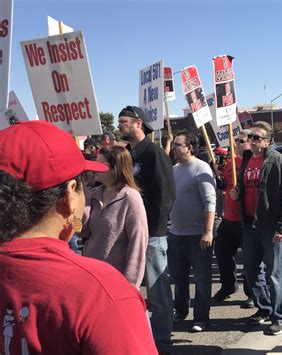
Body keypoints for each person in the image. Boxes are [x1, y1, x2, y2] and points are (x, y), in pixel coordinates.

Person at [0, 121, 157, 354]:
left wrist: (128, 285)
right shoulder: (99, 299)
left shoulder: (130, 198)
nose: (94, 176)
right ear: (70, 193)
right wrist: (73, 220)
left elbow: (137, 242)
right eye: (86, 177)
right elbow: (82, 228)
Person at [118, 105, 175, 355]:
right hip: (130, 234)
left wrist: (152, 230)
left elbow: (165, 196)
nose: (120, 125)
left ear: (138, 123)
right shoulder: (129, 155)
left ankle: (162, 344)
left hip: (152, 235)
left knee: (157, 293)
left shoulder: (154, 154)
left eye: (124, 121)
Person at [234, 121, 282, 336]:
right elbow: (246, 185)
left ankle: (279, 316)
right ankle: (264, 307)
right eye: (250, 137)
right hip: (250, 224)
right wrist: (238, 192)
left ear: (267, 141)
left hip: (271, 227)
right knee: (250, 270)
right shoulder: (247, 159)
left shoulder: (278, 161)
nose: (252, 141)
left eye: (256, 138)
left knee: (274, 274)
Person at [167, 132, 216, 332]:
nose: (174, 148)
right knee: (179, 278)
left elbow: (210, 202)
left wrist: (207, 232)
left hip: (197, 235)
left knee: (202, 279)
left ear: (189, 147)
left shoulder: (201, 168)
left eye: (178, 145)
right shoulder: (174, 169)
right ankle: (180, 310)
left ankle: (201, 318)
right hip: (175, 234)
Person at [82, 146, 148, 289]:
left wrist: (131, 284)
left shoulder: (130, 198)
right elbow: (80, 231)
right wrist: (85, 203)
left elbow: (138, 242)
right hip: (91, 275)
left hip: (116, 278)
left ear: (114, 168)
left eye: (101, 164)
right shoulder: (93, 194)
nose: (94, 169)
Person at [213, 130, 255, 308]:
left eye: (242, 141)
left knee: (250, 259)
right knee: (221, 251)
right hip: (229, 217)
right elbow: (225, 184)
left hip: (246, 219)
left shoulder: (253, 163)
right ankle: (228, 286)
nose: (238, 143)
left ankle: (252, 293)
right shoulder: (230, 162)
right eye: (236, 140)